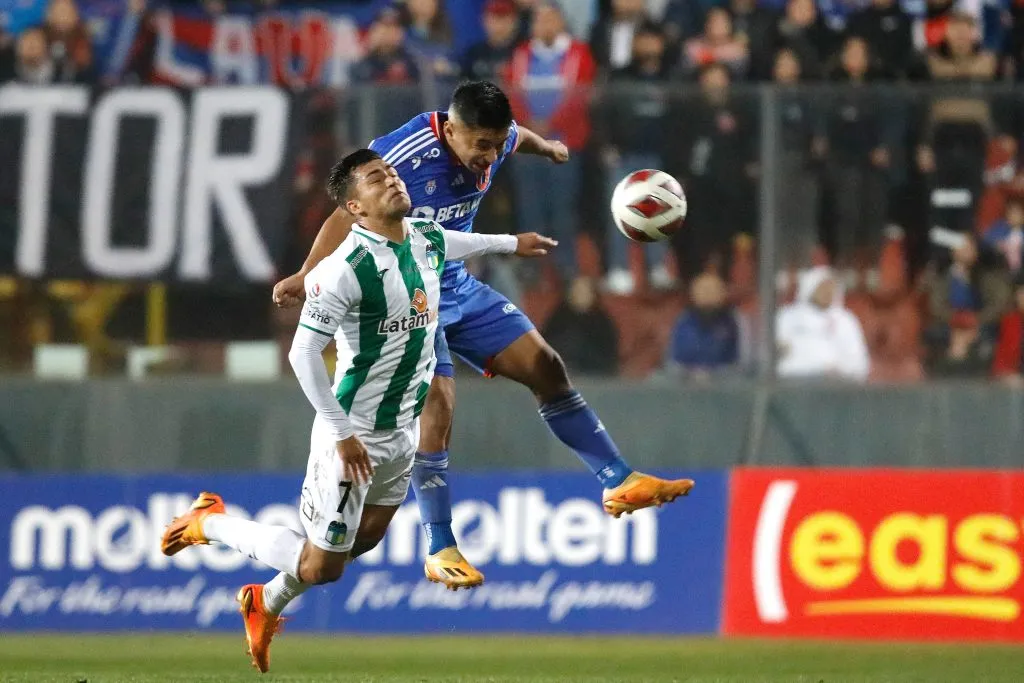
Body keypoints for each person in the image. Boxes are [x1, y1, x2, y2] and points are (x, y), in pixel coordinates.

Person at [271, 81, 694, 591]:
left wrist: (552, 149)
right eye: (482, 146)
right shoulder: (402, 154)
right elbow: (346, 213)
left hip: (458, 286)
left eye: (497, 145)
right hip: (409, 292)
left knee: (546, 367)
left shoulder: (495, 135)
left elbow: (521, 138)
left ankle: (617, 481)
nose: (490, 156)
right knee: (440, 403)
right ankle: (440, 544)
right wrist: (306, 273)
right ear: (450, 131)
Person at [160, 149, 555, 673]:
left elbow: (456, 242)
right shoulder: (342, 271)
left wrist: (512, 243)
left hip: (401, 430)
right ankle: (209, 523)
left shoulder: (423, 237)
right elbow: (301, 355)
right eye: (376, 179)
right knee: (323, 567)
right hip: (353, 434)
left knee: (364, 540)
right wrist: (343, 434)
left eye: (391, 173)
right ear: (355, 207)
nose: (392, 180)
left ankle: (262, 602)